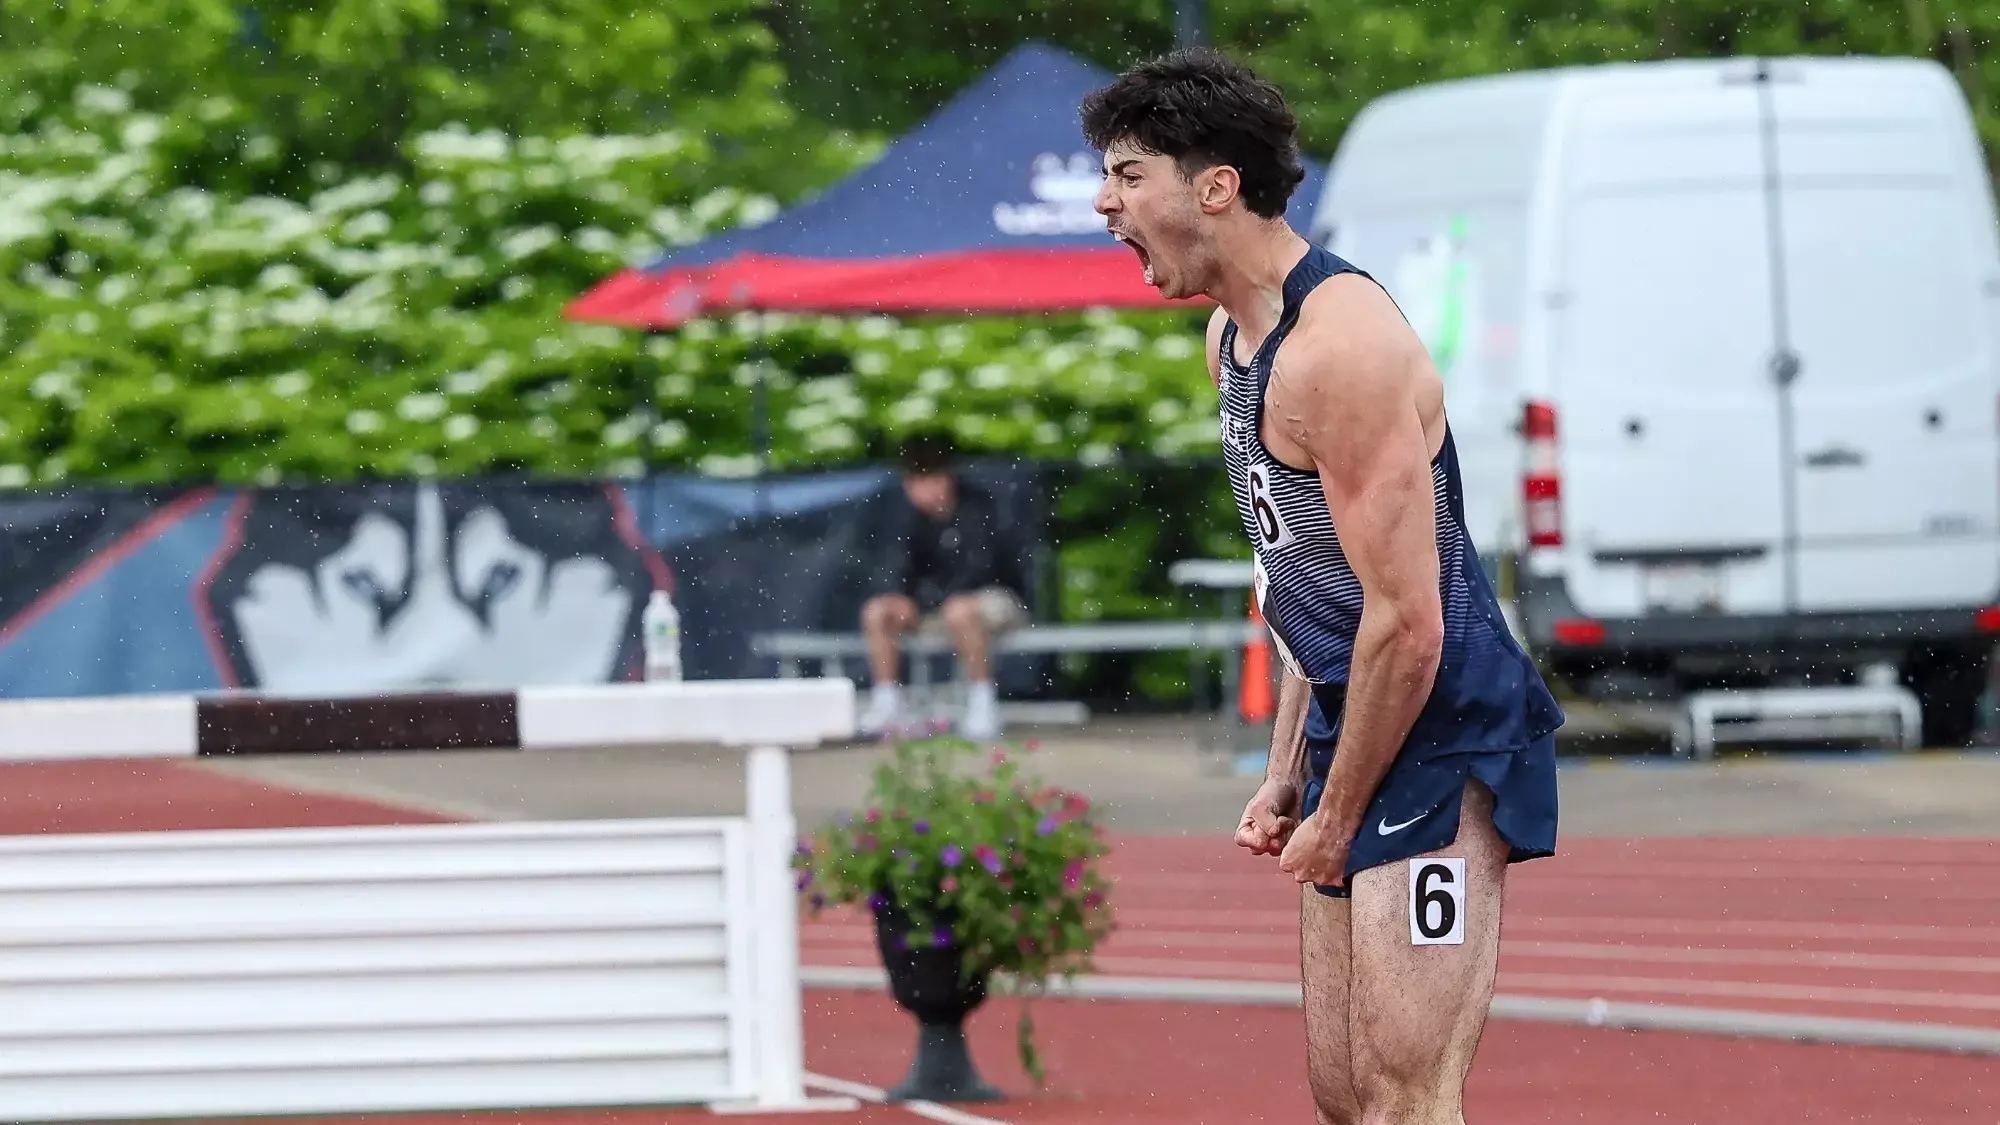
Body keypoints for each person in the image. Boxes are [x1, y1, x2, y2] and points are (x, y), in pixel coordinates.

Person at [1082, 49, 1565, 1125]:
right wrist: (1285, 767)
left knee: (1405, 1094)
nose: (1101, 202)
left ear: (1213, 188)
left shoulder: (1339, 350)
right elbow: (1296, 573)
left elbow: (1406, 622)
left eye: (1125, 175)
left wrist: (1340, 812)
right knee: (1343, 1094)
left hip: (1439, 721)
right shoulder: (1230, 337)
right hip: (1355, 710)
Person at [856, 433, 1030, 742]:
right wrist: (903, 599)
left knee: (960, 610)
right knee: (878, 611)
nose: (920, 490)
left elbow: (981, 571)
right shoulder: (910, 520)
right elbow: (898, 568)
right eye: (914, 482)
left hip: (995, 601)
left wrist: (926, 601)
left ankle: (982, 703)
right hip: (938, 607)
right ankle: (887, 700)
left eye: (927, 480)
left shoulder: (980, 509)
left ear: (944, 480)